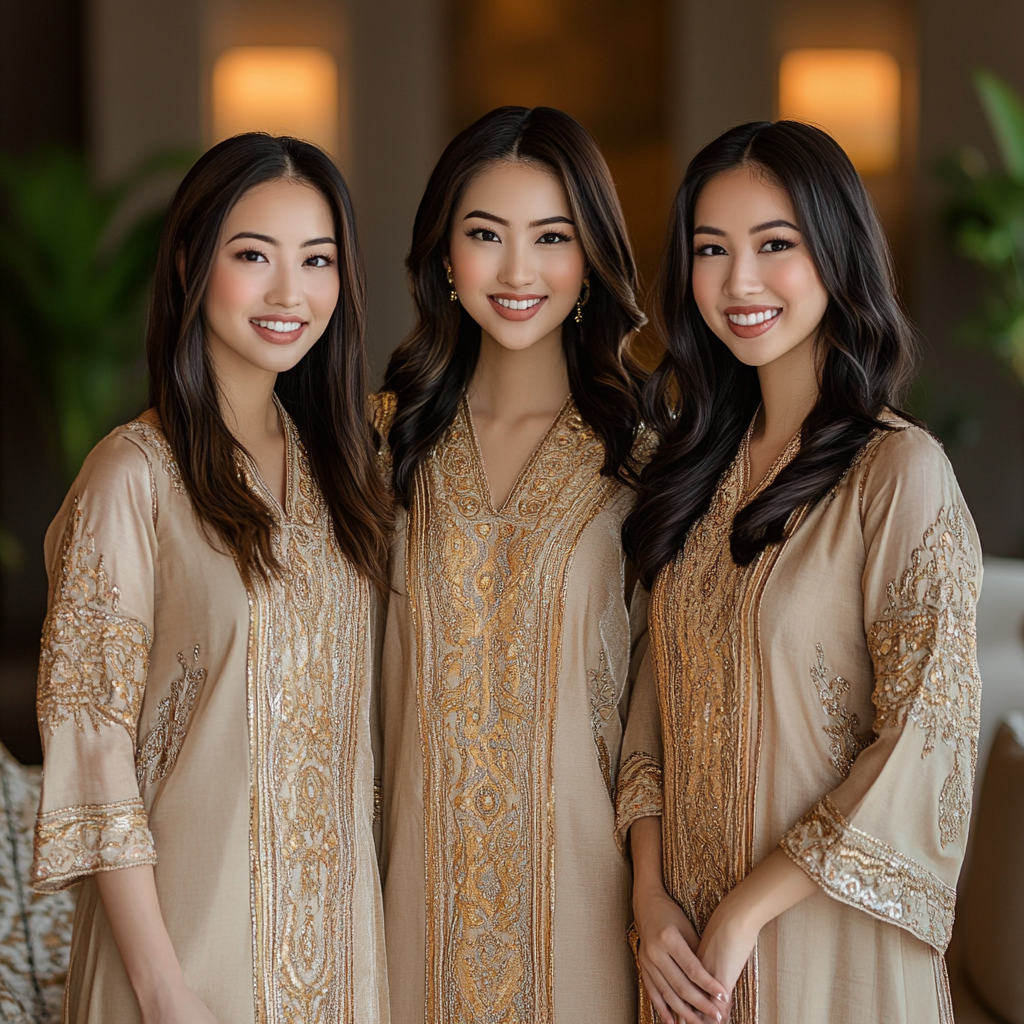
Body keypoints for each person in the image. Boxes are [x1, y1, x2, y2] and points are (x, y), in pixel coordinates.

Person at [619, 120, 983, 1024]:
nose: (739, 281)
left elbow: (926, 737)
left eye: (774, 245)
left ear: (837, 253)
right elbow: (649, 713)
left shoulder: (899, 473)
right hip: (685, 961)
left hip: (826, 947)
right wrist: (649, 899)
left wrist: (747, 910)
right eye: (711, 249)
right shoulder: (696, 475)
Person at [30, 133, 393, 1024]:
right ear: (191, 262)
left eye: (317, 260)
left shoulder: (347, 474)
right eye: (253, 256)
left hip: (341, 963)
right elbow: (93, 750)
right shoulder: (133, 477)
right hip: (186, 966)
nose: (289, 293)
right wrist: (161, 990)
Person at [378, 105, 650, 1024]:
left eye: (552, 237)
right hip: (402, 913)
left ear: (591, 258)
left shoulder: (649, 463)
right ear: (444, 258)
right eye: (486, 234)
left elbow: (667, 710)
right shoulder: (383, 448)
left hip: (588, 916)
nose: (518, 270)